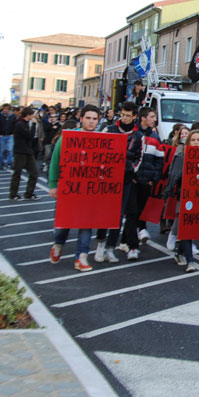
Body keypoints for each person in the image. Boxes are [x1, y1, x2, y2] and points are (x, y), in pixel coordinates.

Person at [48, 105, 102, 272]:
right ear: (81, 119)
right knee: (64, 223)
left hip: (89, 190)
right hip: (69, 188)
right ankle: (58, 244)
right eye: (88, 118)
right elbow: (55, 161)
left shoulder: (102, 140)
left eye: (94, 119)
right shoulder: (67, 138)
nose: (91, 122)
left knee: (86, 224)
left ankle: (82, 257)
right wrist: (52, 184)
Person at [93, 101, 138, 263]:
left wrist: (131, 170)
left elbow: (139, 158)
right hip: (107, 179)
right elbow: (98, 150)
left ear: (134, 116)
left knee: (118, 215)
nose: (124, 118)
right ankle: (100, 244)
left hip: (125, 180)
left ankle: (111, 248)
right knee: (105, 212)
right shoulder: (109, 129)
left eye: (128, 115)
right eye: (122, 115)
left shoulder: (138, 135)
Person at [122, 106, 164, 260]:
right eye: (152, 116)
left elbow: (160, 160)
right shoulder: (133, 135)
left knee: (138, 212)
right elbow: (128, 156)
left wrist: (154, 179)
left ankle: (124, 240)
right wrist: (131, 174)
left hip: (147, 182)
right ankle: (133, 246)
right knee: (132, 212)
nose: (154, 119)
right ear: (143, 118)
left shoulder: (155, 137)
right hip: (133, 180)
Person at [163, 129, 199, 272]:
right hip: (185, 196)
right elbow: (175, 175)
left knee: (190, 226)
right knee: (187, 227)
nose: (196, 143)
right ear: (188, 142)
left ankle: (180, 252)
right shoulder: (181, 156)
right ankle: (190, 260)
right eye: (193, 140)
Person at [8, 108, 39, 201]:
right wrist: (34, 124)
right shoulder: (20, 124)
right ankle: (13, 194)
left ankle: (29, 193)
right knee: (17, 173)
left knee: (34, 173)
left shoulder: (24, 124)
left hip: (28, 151)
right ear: (28, 115)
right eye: (32, 114)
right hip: (20, 152)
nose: (33, 116)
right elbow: (30, 136)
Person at [0, 103, 16, 170]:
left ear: (9, 109)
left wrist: (13, 133)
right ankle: (2, 163)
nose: (5, 110)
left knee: (10, 150)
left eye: (6, 109)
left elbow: (14, 125)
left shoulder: (13, 116)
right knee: (2, 150)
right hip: (2, 135)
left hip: (10, 135)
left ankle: (9, 163)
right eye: (4, 109)